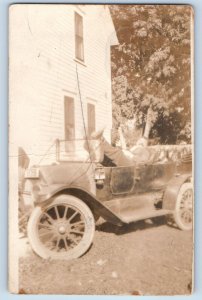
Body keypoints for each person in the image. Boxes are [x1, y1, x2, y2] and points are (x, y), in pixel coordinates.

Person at [88, 128, 154, 166]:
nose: (139, 141)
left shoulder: (145, 151)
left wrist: (133, 157)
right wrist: (120, 133)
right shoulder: (135, 147)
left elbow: (144, 162)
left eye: (141, 141)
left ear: (144, 144)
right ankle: (101, 140)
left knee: (118, 153)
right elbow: (124, 147)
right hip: (127, 157)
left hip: (131, 163)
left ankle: (101, 140)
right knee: (117, 151)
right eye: (140, 140)